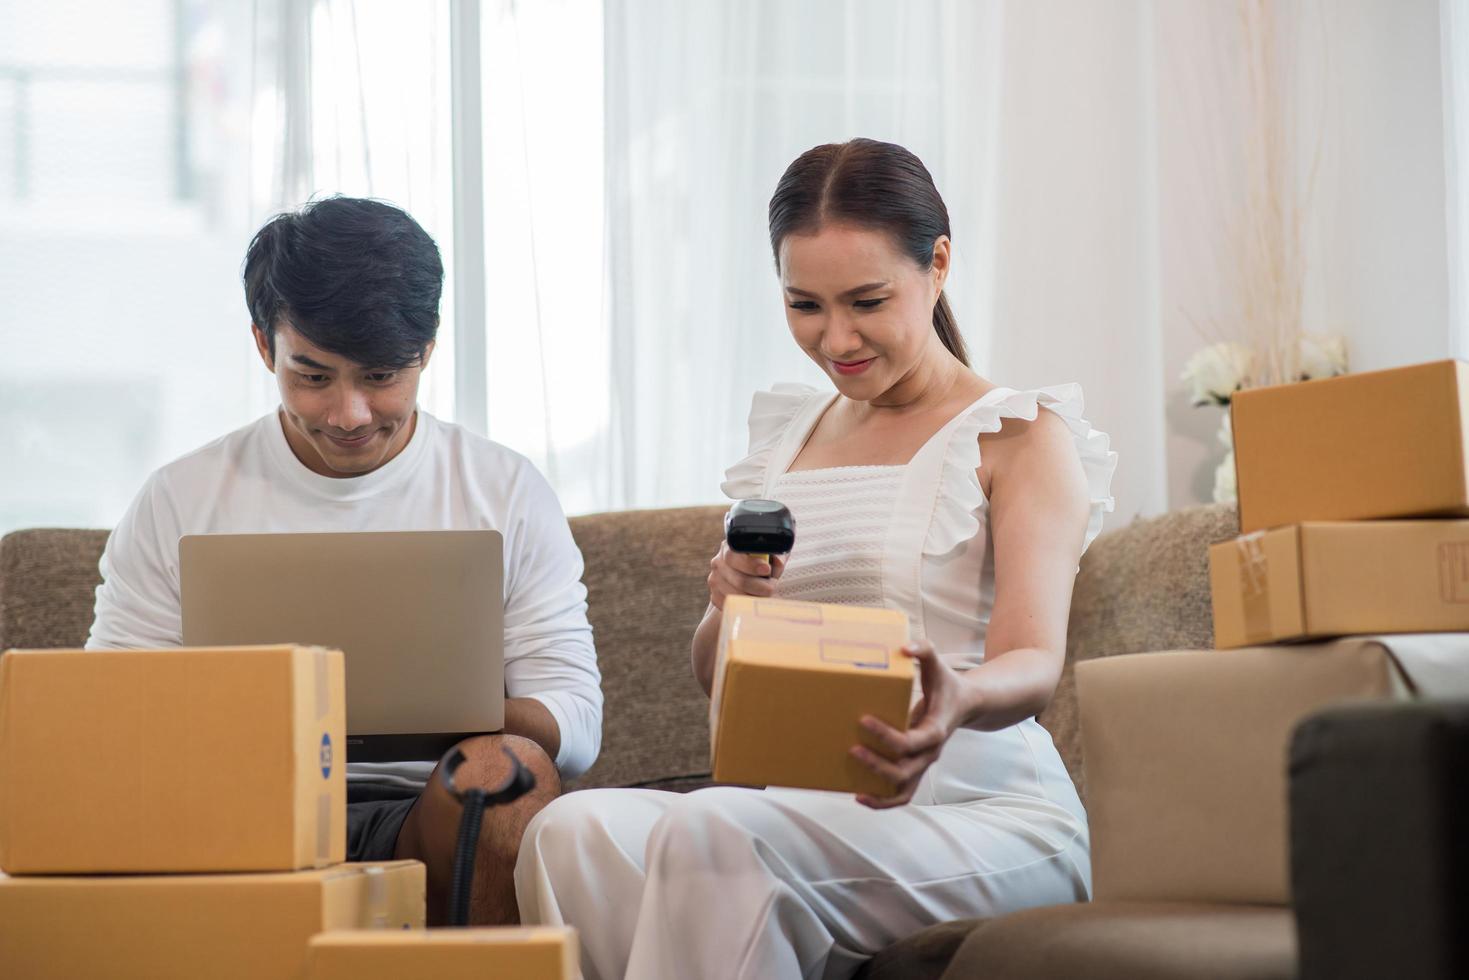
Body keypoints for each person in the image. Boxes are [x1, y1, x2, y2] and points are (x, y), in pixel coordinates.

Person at [515, 138, 1116, 979]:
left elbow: (1032, 662)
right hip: (809, 809)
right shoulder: (788, 439)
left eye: (867, 300)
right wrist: (729, 603)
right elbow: (712, 673)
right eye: (804, 305)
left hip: (983, 812)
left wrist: (953, 700)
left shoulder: (1018, 435)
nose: (836, 338)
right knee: (568, 832)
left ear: (937, 264)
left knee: (711, 829)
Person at [86, 196, 602, 926]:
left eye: (381, 375)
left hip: (434, 804)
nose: (349, 414)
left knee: (507, 774)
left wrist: (439, 708)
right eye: (314, 376)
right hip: (241, 805)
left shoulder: (506, 491)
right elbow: (108, 714)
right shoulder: (178, 499)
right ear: (266, 347)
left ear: (426, 349)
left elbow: (576, 723)